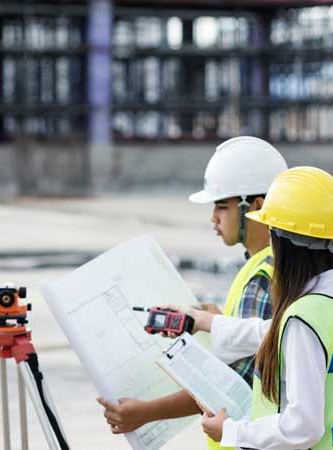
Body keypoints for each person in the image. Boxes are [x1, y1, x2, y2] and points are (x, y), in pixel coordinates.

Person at [98, 136, 287, 450]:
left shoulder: (262, 277)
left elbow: (237, 384)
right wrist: (219, 321)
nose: (213, 217)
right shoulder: (270, 264)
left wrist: (145, 413)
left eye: (222, 206)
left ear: (257, 207)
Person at [174, 166, 333, 449]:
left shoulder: (303, 318)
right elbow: (269, 331)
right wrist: (204, 321)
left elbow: (303, 426)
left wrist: (231, 431)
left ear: (284, 242)